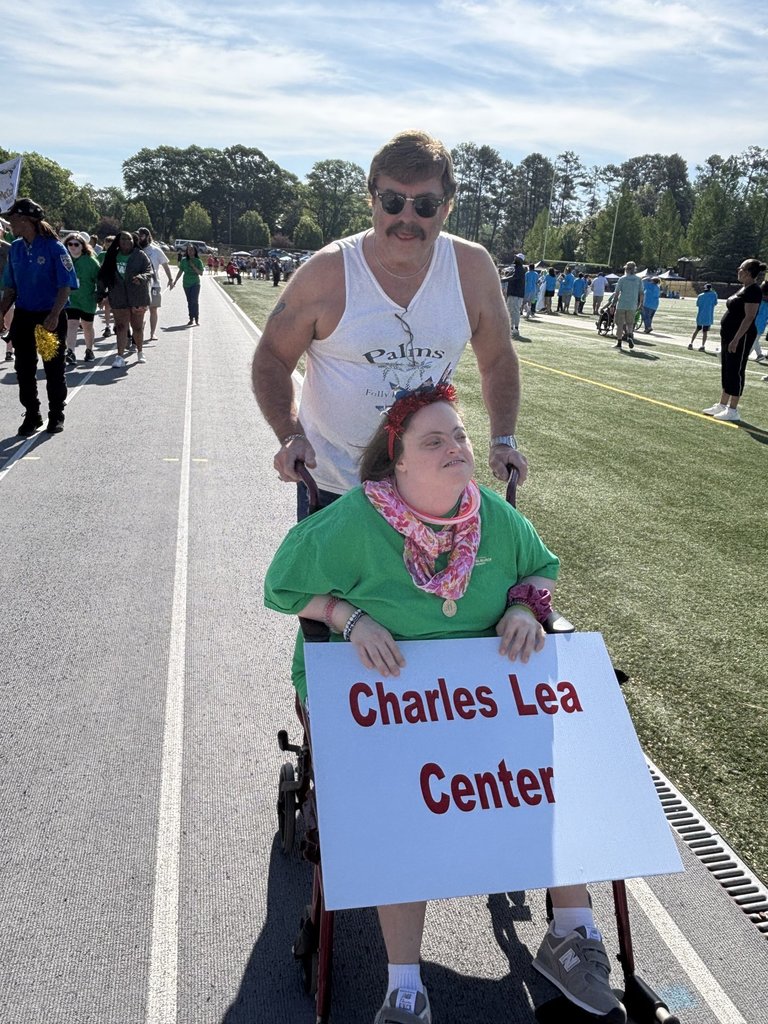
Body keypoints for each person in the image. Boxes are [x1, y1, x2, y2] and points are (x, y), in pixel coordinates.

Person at [264, 385, 627, 1024]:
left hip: (471, 700)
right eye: (434, 440)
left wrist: (525, 607)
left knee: (553, 769)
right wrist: (346, 618)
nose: (456, 447)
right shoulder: (351, 521)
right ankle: (404, 988)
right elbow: (281, 587)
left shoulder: (492, 515)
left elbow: (541, 569)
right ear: (397, 460)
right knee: (397, 800)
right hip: (379, 697)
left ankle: (571, 936)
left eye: (459, 435)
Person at [251, 129, 527, 509]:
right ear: (372, 200)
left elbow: (497, 360)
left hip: (430, 489)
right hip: (335, 489)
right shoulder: (328, 272)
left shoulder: (472, 269)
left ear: (447, 207)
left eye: (426, 205)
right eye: (393, 201)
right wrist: (289, 435)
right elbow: (272, 357)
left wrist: (503, 440)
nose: (407, 218)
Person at [0, 197, 77, 435]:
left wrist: (55, 314)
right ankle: (32, 413)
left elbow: (66, 285)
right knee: (24, 368)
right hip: (24, 316)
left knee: (53, 368)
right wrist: (1, 312)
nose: (10, 224)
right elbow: (11, 287)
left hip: (48, 317)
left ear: (27, 220)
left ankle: (56, 414)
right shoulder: (16, 249)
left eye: (14, 219)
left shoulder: (54, 248)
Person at [702, 258, 764, 422]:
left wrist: (737, 338)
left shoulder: (754, 291)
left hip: (741, 337)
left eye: (741, 268)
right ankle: (722, 404)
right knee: (727, 369)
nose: (738, 270)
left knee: (736, 370)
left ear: (749, 272)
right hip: (729, 335)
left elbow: (749, 317)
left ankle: (733, 409)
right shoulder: (743, 288)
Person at [96, 231, 152, 367]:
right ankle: (119, 356)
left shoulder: (140, 255)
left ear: (134, 241)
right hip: (118, 295)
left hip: (137, 296)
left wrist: (141, 277)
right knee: (121, 327)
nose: (126, 241)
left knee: (137, 327)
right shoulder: (112, 255)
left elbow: (149, 271)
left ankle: (140, 351)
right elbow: (103, 275)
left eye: (129, 239)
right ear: (118, 241)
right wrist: (100, 294)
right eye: (123, 239)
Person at [63, 233, 101, 363]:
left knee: (87, 326)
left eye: (76, 244)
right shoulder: (64, 259)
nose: (72, 247)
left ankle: (89, 350)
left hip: (87, 299)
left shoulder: (91, 261)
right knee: (72, 324)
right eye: (70, 244)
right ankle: (71, 352)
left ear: (82, 246)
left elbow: (100, 280)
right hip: (71, 298)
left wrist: (100, 295)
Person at [137, 227, 173, 340]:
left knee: (153, 309)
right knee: (140, 310)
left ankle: (152, 333)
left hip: (154, 285)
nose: (139, 238)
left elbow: (165, 265)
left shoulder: (155, 250)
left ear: (147, 236)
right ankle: (139, 330)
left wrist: (170, 279)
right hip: (139, 285)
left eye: (141, 235)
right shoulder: (136, 250)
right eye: (138, 235)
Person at [610, 262, 643, 350]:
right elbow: (641, 293)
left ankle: (619, 342)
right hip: (632, 305)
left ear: (626, 269)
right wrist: (640, 304)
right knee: (630, 324)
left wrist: (613, 304)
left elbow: (617, 293)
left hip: (622, 304)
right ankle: (629, 336)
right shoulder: (639, 280)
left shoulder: (622, 279)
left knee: (619, 324)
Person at [171, 243, 205, 325]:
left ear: (195, 251)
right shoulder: (183, 261)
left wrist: (193, 266)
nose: (190, 251)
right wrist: (175, 281)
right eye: (188, 250)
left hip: (195, 283)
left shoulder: (198, 261)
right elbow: (180, 271)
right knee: (189, 301)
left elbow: (200, 273)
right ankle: (191, 318)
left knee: (194, 300)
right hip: (186, 284)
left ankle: (196, 317)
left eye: (192, 249)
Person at [689, 283, 718, 352]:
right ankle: (702, 345)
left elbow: (698, 304)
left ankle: (691, 343)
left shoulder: (700, 295)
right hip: (708, 316)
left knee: (697, 329)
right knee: (705, 332)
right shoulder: (713, 295)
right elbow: (715, 303)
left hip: (700, 315)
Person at [504, 253, 525, 338]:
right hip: (513, 294)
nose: (515, 258)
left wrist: (501, 280)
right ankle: (511, 328)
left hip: (516, 294)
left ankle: (515, 329)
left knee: (515, 311)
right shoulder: (516, 268)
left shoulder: (520, 269)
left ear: (520, 260)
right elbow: (509, 275)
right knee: (510, 311)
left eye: (516, 257)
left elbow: (513, 277)